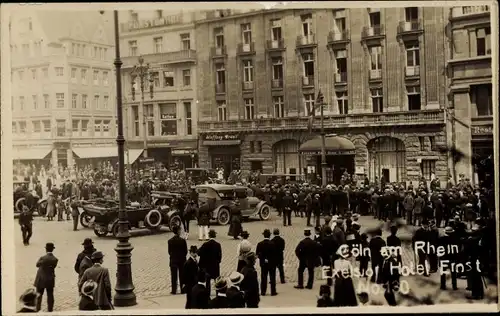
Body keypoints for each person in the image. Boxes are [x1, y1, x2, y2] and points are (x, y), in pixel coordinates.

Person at [34, 242, 58, 312]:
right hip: (50, 279)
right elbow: (53, 267)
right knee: (50, 295)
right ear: (53, 249)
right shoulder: (55, 259)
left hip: (41, 279)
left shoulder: (42, 258)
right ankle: (50, 309)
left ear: (46, 249)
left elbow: (37, 265)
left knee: (39, 295)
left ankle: (38, 308)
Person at [198, 229, 222, 296]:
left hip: (207, 266)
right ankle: (218, 293)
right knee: (216, 280)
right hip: (215, 266)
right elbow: (220, 256)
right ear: (215, 236)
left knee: (208, 281)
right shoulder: (218, 245)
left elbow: (199, 253)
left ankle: (208, 293)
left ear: (209, 235)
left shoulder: (205, 244)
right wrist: (218, 262)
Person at [256, 229, 277, 296]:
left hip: (263, 263)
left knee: (263, 277)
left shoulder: (260, 244)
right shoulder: (273, 244)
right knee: (272, 277)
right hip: (271, 263)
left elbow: (257, 254)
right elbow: (275, 254)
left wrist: (263, 259)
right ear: (270, 235)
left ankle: (263, 291)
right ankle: (273, 291)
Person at [168, 225, 188, 295]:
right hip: (182, 260)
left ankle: (174, 290)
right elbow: (185, 251)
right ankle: (182, 289)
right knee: (182, 275)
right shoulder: (182, 241)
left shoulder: (170, 241)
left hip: (173, 260)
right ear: (178, 231)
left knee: (173, 276)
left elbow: (169, 251)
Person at [438, 226, 459, 291]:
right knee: (453, 273)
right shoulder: (455, 239)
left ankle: (443, 286)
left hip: (444, 258)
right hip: (452, 258)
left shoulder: (441, 239)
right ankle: (454, 286)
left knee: (443, 272)